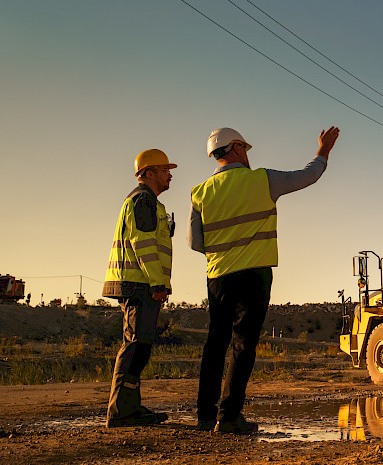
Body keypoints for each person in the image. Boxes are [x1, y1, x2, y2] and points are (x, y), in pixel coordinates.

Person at [190, 126, 339, 434]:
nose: (247, 154)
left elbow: (195, 242)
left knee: (215, 343)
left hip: (218, 276)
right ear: (235, 148)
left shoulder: (199, 192)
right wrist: (323, 150)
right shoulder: (262, 179)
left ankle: (205, 416)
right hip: (254, 274)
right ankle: (228, 417)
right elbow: (308, 175)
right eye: (245, 148)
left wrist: (224, 250)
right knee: (243, 344)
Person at [103, 149, 175, 428]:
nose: (170, 175)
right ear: (149, 172)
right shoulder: (143, 200)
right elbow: (142, 244)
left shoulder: (147, 201)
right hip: (140, 284)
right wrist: (158, 283)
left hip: (140, 282)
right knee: (135, 345)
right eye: (165, 170)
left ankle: (129, 407)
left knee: (140, 345)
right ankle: (121, 411)